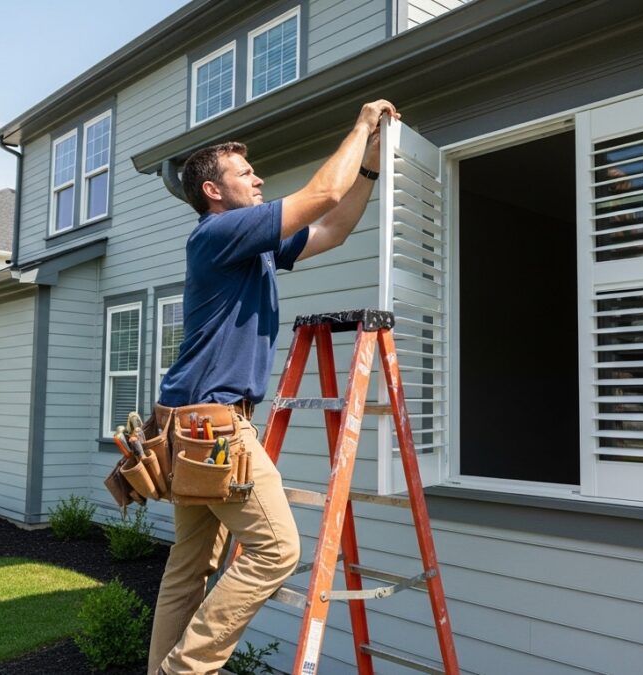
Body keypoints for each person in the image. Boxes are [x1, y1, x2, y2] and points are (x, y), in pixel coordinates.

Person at [148, 99, 400, 675]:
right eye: (244, 172)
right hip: (211, 424)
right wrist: (360, 126)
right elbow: (320, 197)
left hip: (193, 420)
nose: (258, 178)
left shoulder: (251, 244)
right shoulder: (218, 233)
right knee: (277, 550)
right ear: (214, 191)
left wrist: (369, 168)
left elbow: (332, 229)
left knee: (189, 566)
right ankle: (184, 671)